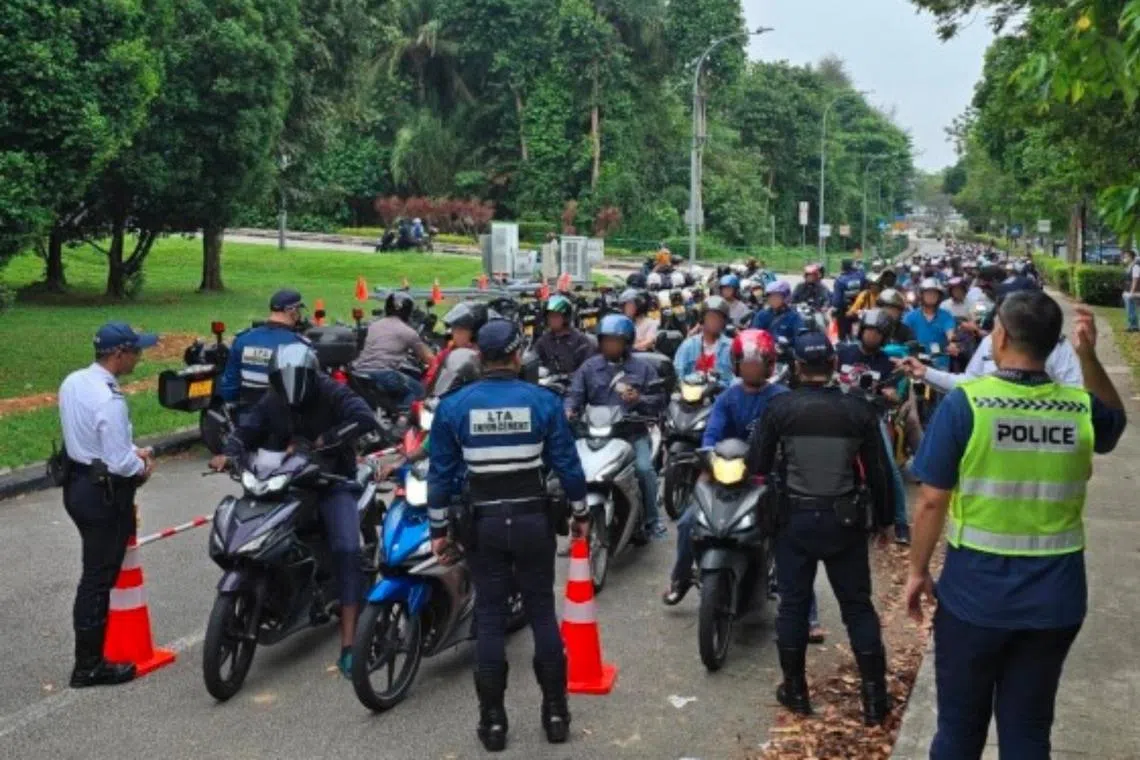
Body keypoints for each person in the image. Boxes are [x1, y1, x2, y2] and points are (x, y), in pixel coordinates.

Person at [904, 292, 1127, 759]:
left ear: (1000, 336)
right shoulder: (1080, 408)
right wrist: (1089, 357)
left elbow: (931, 501)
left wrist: (917, 571)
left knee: (959, 733)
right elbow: (1116, 420)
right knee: (1028, 733)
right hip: (1056, 599)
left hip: (974, 597)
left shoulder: (968, 404)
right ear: (1055, 345)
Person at [427, 319, 588, 752]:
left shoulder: (455, 407)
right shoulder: (543, 402)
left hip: (484, 526)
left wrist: (439, 530)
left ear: (479, 357)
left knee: (491, 619)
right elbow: (569, 468)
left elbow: (440, 478)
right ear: (518, 356)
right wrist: (581, 514)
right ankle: (556, 714)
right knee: (541, 612)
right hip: (533, 520)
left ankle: (493, 724)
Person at [748, 332, 897, 725]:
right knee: (857, 607)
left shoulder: (780, 408)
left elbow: (757, 464)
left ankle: (796, 691)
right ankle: (874, 699)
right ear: (833, 365)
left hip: (794, 520)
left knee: (793, 606)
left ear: (796, 367)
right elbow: (880, 473)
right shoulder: (858, 410)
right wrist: (884, 521)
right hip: (844, 522)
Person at [211, 344, 379, 677]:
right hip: (284, 482)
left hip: (332, 481)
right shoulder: (272, 399)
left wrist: (327, 440)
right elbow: (246, 432)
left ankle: (350, 643)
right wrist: (229, 453)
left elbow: (363, 417)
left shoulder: (332, 391)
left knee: (346, 549)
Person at [58, 322, 161, 688]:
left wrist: (128, 452)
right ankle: (88, 666)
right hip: (105, 494)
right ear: (119, 354)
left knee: (94, 574)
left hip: (77, 482)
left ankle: (90, 657)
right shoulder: (110, 400)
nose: (140, 357)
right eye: (136, 351)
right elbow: (120, 463)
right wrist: (143, 465)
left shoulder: (74, 382)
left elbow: (91, 439)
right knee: (98, 579)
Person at [566, 314, 666, 538]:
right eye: (606, 340)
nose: (610, 345)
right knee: (570, 470)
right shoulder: (589, 368)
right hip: (595, 433)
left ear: (627, 342)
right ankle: (575, 522)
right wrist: (569, 410)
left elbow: (659, 400)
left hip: (630, 434)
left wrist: (639, 399)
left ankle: (652, 520)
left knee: (644, 469)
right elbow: (574, 395)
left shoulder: (643, 369)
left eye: (616, 340)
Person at [838, 310, 914, 544]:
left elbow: (895, 395)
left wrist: (890, 394)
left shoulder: (887, 362)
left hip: (872, 417)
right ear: (861, 331)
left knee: (889, 466)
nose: (872, 336)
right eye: (869, 331)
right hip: (840, 413)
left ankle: (900, 521)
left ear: (884, 337)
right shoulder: (843, 352)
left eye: (877, 333)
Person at [219, 289, 309, 419]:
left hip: (247, 420)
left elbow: (229, 388)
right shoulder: (299, 345)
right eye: (299, 310)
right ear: (292, 311)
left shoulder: (242, 340)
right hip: (283, 421)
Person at [354, 291, 435, 407]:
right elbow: (429, 358)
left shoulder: (374, 326)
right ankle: (404, 419)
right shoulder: (408, 332)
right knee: (420, 390)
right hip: (383, 374)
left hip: (360, 374)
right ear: (408, 311)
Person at [423, 301, 490, 393]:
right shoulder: (447, 354)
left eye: (459, 330)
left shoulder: (489, 355)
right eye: (453, 328)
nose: (453, 333)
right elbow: (430, 382)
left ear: (474, 332)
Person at [673, 296, 734, 385]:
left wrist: (720, 384)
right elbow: (678, 374)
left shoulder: (731, 347)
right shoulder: (688, 345)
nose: (715, 321)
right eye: (711, 317)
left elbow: (737, 380)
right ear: (702, 319)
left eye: (719, 318)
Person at [532, 295, 595, 375]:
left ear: (566, 317)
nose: (552, 319)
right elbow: (533, 360)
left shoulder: (581, 341)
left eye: (556, 316)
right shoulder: (543, 341)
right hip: (549, 384)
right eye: (550, 316)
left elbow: (588, 370)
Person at [903, 278, 957, 369]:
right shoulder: (910, 317)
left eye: (935, 294)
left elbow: (950, 333)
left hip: (939, 362)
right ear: (921, 295)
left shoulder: (946, 315)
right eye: (928, 293)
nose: (931, 296)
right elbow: (902, 337)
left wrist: (952, 344)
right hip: (915, 362)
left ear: (939, 297)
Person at [832, 259, 867, 338]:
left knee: (843, 336)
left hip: (846, 313)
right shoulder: (861, 276)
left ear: (843, 267)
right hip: (860, 311)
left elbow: (836, 302)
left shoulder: (840, 280)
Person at [1123, 250, 1140, 332]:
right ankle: (1133, 325)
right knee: (1129, 309)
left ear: (1131, 257)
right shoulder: (1130, 266)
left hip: (1133, 292)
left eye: (1126, 256)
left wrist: (1132, 292)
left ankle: (1134, 326)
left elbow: (1135, 280)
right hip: (1127, 291)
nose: (1124, 258)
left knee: (1131, 309)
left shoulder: (1135, 267)